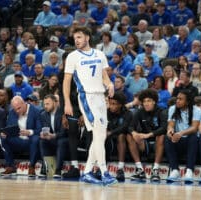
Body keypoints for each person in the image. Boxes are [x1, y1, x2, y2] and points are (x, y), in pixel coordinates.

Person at [63, 26, 117, 186]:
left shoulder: (99, 54)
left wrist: (110, 84)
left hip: (100, 97)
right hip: (87, 97)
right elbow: (66, 81)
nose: (76, 40)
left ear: (87, 37)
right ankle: (103, 171)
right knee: (99, 133)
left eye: (79, 37)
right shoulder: (73, 56)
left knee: (101, 135)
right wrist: (67, 102)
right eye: (75, 38)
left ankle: (86, 172)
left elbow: (103, 75)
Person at [127, 88, 167, 182]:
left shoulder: (162, 111)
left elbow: (164, 128)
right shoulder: (140, 111)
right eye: (144, 101)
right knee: (129, 136)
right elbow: (130, 126)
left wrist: (148, 135)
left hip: (158, 142)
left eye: (149, 101)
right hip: (144, 143)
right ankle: (140, 169)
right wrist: (134, 132)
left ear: (154, 101)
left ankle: (155, 170)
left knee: (161, 135)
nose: (146, 103)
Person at [0, 96, 41, 177]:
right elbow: (9, 127)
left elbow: (40, 129)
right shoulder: (12, 112)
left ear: (24, 103)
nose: (17, 111)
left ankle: (32, 166)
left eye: (19, 108)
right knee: (3, 139)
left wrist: (29, 132)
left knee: (36, 139)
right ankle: (10, 166)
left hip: (30, 140)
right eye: (15, 109)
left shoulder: (36, 111)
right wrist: (5, 133)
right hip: (17, 139)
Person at [165, 90, 200, 182]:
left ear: (187, 102)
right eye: (177, 98)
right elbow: (170, 124)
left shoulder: (196, 110)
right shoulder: (172, 108)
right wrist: (170, 131)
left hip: (189, 139)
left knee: (193, 136)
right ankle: (175, 170)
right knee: (168, 138)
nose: (177, 101)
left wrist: (180, 133)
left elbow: (194, 128)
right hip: (178, 139)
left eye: (181, 99)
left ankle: (189, 170)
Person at [39, 94, 68, 178]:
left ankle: (58, 170)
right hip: (52, 138)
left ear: (55, 103)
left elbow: (64, 132)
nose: (45, 106)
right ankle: (46, 167)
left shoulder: (63, 113)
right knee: (42, 141)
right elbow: (45, 128)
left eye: (48, 104)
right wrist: (43, 134)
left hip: (64, 138)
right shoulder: (43, 114)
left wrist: (53, 136)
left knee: (61, 141)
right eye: (44, 104)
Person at [106, 91, 133, 182]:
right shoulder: (106, 112)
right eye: (110, 103)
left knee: (121, 136)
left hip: (124, 138)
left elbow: (124, 127)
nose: (111, 106)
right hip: (109, 138)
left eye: (114, 104)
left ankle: (120, 168)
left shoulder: (128, 113)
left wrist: (111, 132)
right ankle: (99, 167)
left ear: (120, 105)